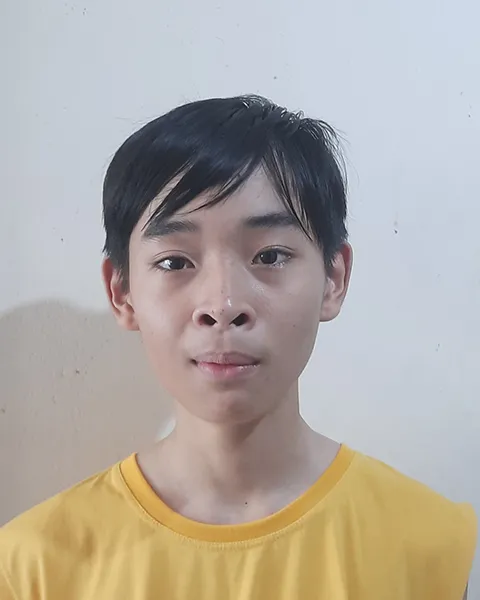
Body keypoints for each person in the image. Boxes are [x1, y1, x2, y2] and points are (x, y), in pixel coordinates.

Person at [0, 95, 476, 599]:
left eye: (270, 255)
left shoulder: (426, 546)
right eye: (175, 262)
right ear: (122, 292)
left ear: (333, 278)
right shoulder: (34, 568)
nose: (223, 305)